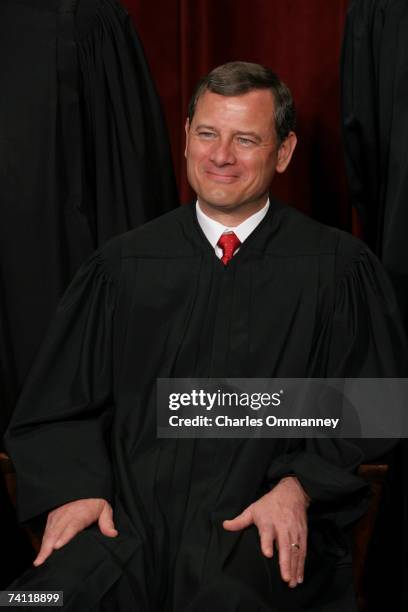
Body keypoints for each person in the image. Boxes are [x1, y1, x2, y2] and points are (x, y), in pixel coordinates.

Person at [5, 61, 407, 611]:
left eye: (246, 140)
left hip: (255, 530)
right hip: (126, 530)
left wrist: (301, 486)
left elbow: (375, 405)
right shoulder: (122, 267)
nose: (221, 156)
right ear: (187, 137)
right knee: (38, 602)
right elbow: (57, 405)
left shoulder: (336, 269)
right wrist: (74, 489)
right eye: (207, 134)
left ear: (284, 152)